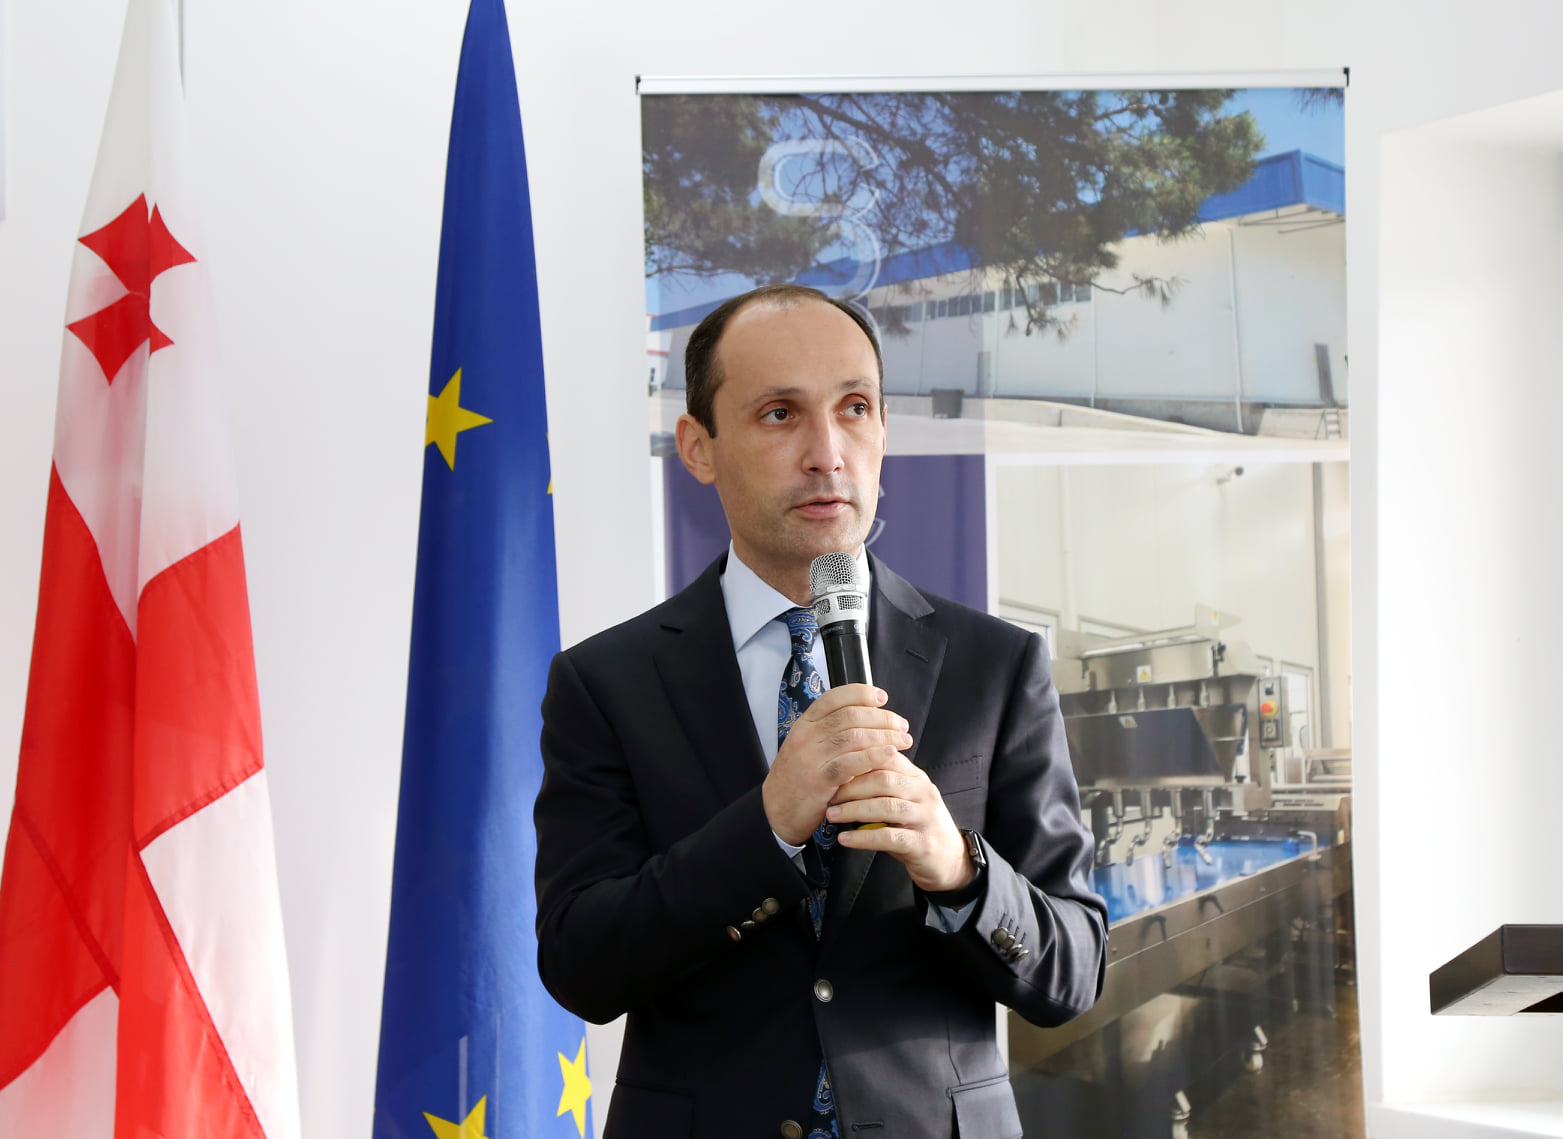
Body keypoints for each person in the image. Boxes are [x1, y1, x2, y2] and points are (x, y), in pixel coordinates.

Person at [534, 284, 1106, 1138]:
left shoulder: (995, 663)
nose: (827, 454)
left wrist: (958, 868)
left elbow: (1072, 971)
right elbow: (581, 964)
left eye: (854, 408)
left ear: (883, 430)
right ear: (698, 446)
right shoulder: (605, 680)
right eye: (778, 414)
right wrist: (764, 825)